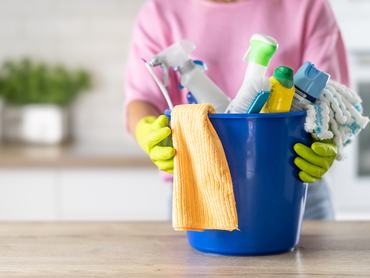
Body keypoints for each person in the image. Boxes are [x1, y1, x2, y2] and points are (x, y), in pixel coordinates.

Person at [125, 0, 349, 219]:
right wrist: (148, 130)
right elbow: (142, 100)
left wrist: (327, 137)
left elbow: (334, 99)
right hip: (199, 195)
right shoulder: (159, 11)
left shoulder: (308, 5)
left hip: (293, 189)